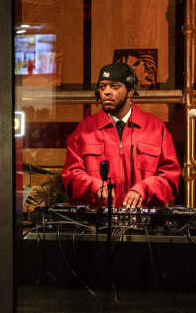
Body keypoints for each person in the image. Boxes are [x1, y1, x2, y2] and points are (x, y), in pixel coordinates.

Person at [62, 61, 180, 208]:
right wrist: (94, 187)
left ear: (130, 91)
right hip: (99, 220)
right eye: (102, 86)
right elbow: (71, 175)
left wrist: (144, 189)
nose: (107, 92)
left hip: (143, 220)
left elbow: (170, 177)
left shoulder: (156, 128)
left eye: (114, 86)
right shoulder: (84, 130)